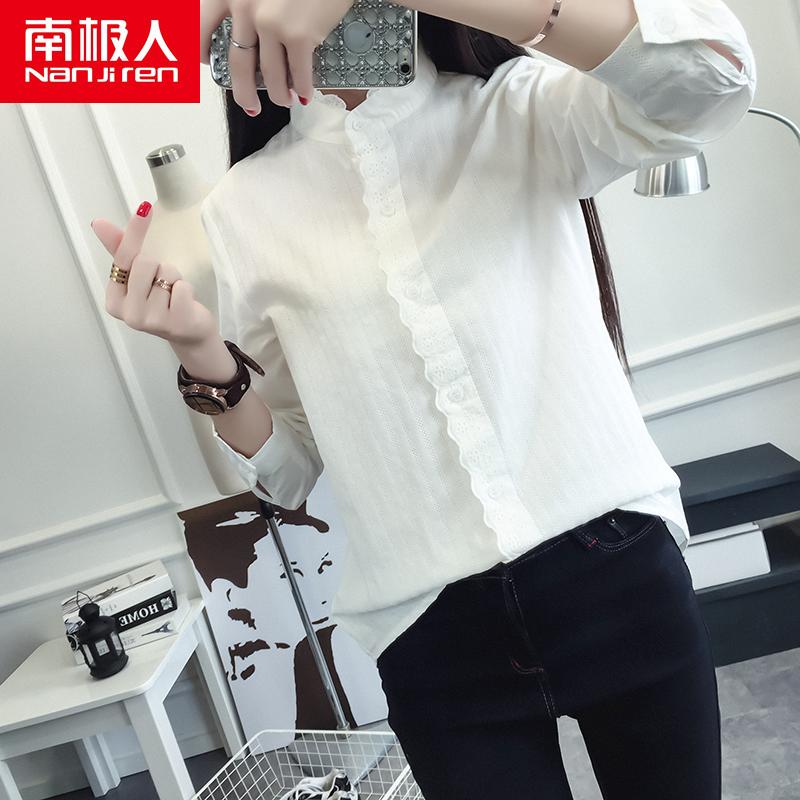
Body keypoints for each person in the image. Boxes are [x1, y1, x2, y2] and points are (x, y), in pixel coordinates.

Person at [92, 0, 757, 796]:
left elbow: (713, 76)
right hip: (431, 637)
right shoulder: (241, 208)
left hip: (615, 572)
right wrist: (201, 353)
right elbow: (291, 471)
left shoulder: (516, 108)